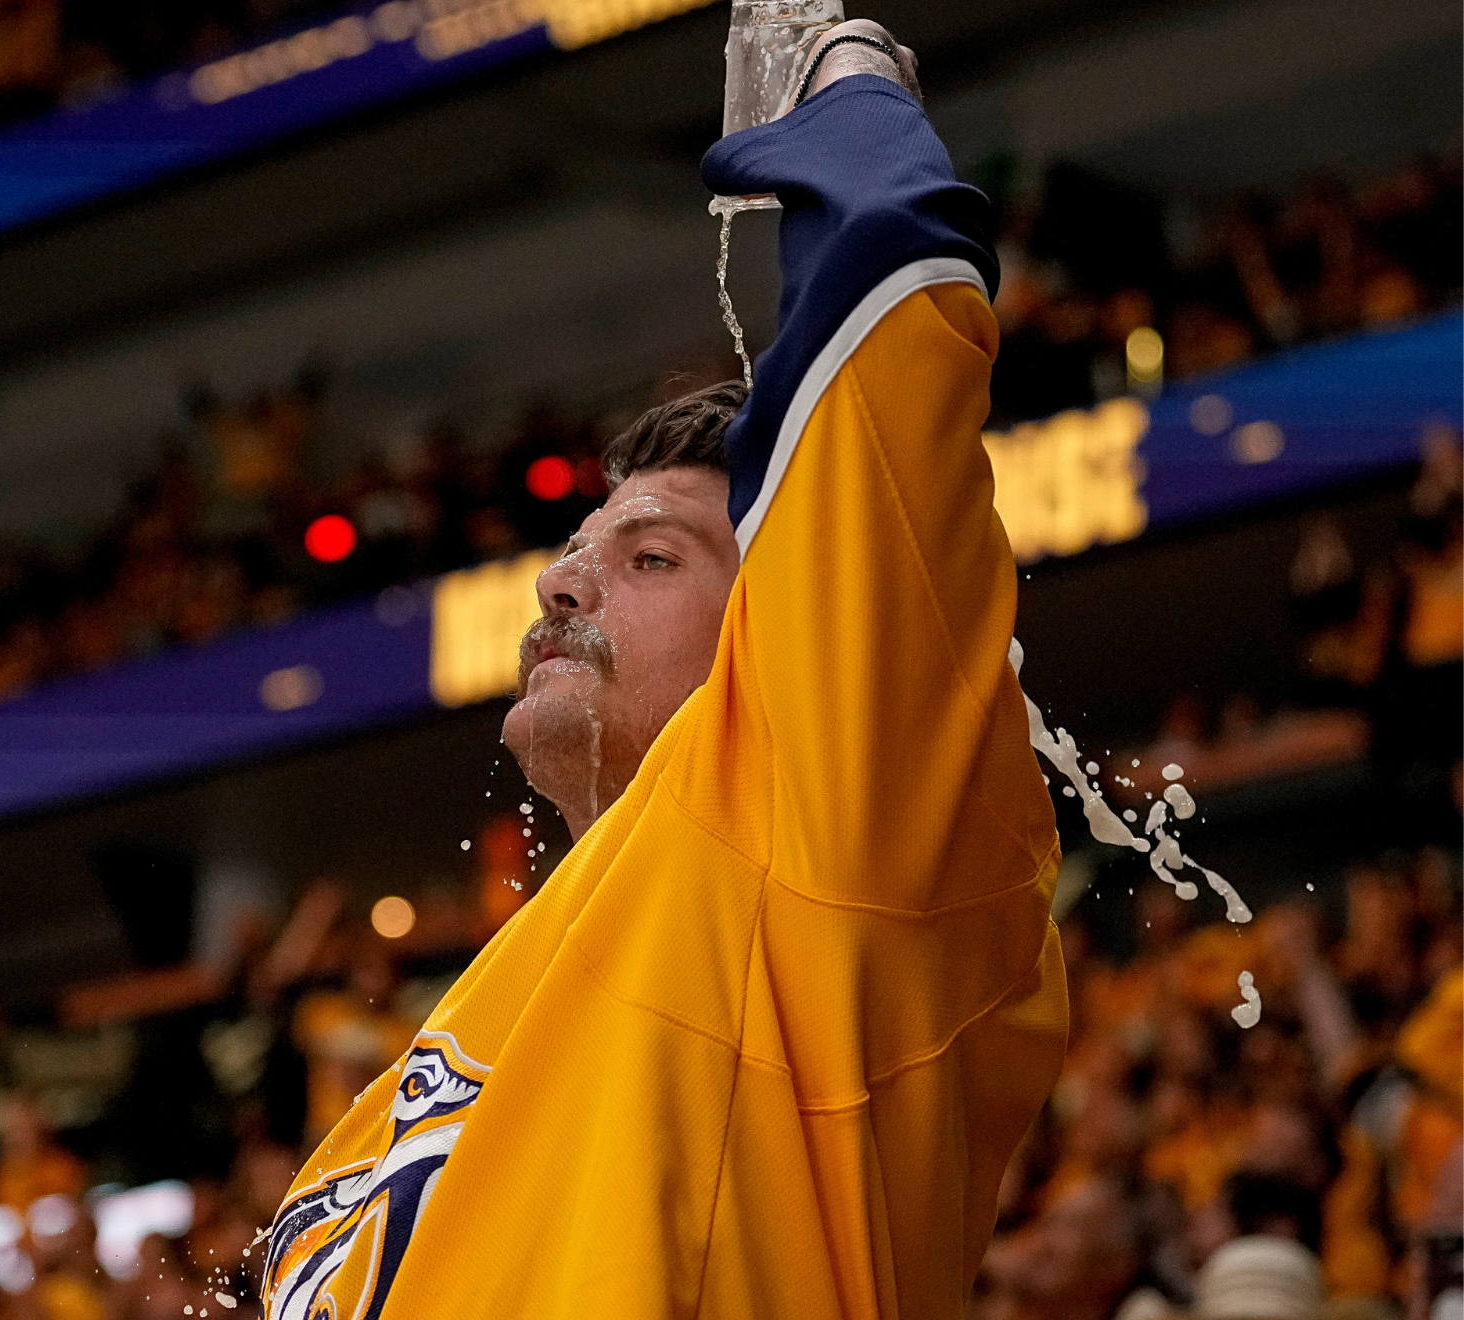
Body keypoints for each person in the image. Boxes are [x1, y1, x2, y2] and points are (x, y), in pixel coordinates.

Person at [260, 19, 1067, 1318]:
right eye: (577, 549)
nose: (559, 581)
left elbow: (891, 276)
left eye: (650, 559)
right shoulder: (494, 1000)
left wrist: (839, 66)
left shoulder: (821, 847)